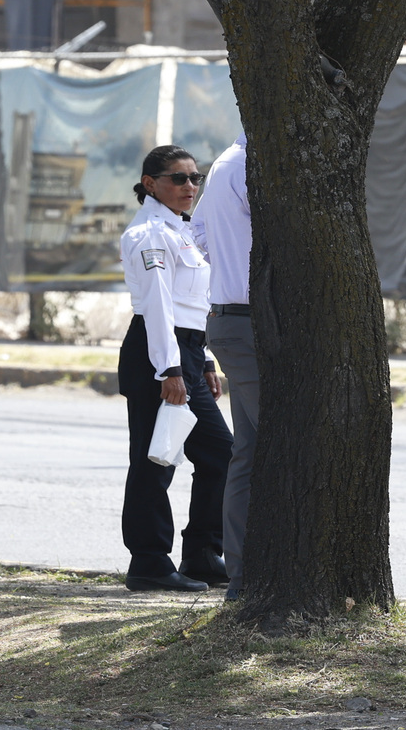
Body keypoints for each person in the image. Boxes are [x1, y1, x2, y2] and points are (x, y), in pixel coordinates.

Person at [118, 144, 233, 592]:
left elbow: (189, 304)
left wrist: (201, 358)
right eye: (178, 178)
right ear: (151, 184)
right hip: (156, 353)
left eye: (195, 178)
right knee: (155, 460)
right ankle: (148, 561)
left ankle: (203, 554)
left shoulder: (177, 230)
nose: (190, 186)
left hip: (184, 352)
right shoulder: (148, 232)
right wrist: (169, 370)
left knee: (219, 452)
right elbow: (159, 307)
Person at [192, 132, 276, 602]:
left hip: (233, 316)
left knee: (250, 451)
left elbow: (199, 234)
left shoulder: (230, 160)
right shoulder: (248, 164)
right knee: (278, 447)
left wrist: (229, 270)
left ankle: (244, 579)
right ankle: (249, 578)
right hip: (244, 321)